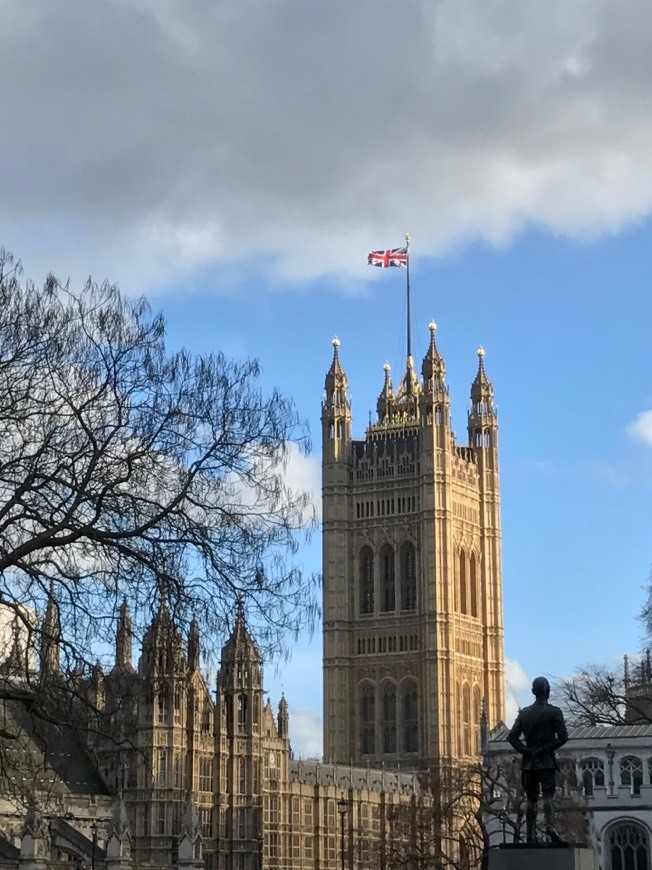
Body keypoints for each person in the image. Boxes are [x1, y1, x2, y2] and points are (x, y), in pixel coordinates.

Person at [507, 676, 568, 843]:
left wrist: (526, 750)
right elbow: (563, 737)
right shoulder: (554, 712)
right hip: (546, 760)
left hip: (529, 763)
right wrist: (545, 749)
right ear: (548, 691)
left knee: (531, 798)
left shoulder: (524, 713)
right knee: (548, 795)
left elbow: (512, 737)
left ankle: (530, 834)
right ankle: (549, 825)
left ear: (533, 692)